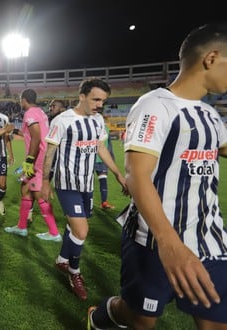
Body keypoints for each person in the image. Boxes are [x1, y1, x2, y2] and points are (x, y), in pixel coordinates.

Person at [88, 23, 227, 330]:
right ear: (212, 58)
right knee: (140, 319)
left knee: (217, 323)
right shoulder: (155, 106)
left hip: (210, 238)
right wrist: (168, 241)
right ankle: (102, 316)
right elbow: (137, 175)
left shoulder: (209, 115)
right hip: (154, 239)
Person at [40, 78, 127, 300]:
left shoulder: (98, 120)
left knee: (75, 226)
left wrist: (117, 173)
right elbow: (50, 152)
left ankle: (62, 259)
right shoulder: (63, 120)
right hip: (67, 183)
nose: (99, 104)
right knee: (82, 230)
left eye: (103, 100)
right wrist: (45, 182)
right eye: (95, 99)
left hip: (87, 184)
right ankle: (74, 272)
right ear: (82, 97)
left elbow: (100, 148)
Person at [4, 89, 61, 242]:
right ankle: (21, 227)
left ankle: (54, 233)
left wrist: (29, 162)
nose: (20, 102)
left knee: (39, 194)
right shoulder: (39, 112)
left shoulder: (30, 114)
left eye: (20, 99)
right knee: (25, 190)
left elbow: (35, 139)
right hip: (38, 158)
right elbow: (31, 134)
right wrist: (14, 130)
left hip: (37, 160)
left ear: (24, 99)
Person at [94, 109, 116, 210]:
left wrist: (111, 158)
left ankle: (104, 202)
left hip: (102, 160)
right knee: (87, 183)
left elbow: (109, 145)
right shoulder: (89, 127)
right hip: (91, 159)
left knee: (103, 180)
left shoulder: (105, 129)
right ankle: (86, 203)